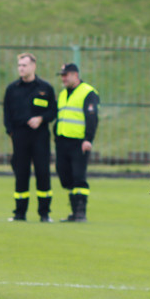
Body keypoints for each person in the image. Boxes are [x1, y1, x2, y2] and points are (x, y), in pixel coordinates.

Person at [3, 52, 56, 222]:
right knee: (21, 173)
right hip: (19, 136)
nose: (21, 68)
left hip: (39, 136)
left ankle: (44, 213)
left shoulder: (45, 88)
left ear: (33, 66)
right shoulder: (12, 89)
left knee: (42, 173)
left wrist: (41, 119)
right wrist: (11, 131)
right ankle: (19, 213)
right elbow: (7, 113)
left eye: (24, 65)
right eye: (19, 65)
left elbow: (53, 111)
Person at [55, 63, 99, 222]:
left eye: (66, 75)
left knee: (78, 176)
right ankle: (74, 212)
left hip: (79, 142)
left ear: (75, 75)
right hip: (62, 141)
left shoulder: (88, 92)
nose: (63, 78)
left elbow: (92, 118)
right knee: (64, 175)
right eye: (62, 75)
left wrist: (88, 139)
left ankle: (80, 212)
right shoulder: (62, 94)